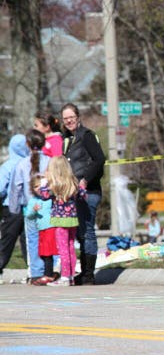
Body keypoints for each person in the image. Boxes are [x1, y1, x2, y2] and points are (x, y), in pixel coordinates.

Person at [61, 103, 106, 285]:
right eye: (65, 119)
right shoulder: (68, 139)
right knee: (80, 233)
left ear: (78, 117)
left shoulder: (86, 136)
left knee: (87, 231)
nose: (69, 121)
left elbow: (99, 159)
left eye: (71, 117)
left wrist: (85, 180)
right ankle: (84, 271)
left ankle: (89, 274)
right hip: (74, 194)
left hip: (89, 192)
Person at [8, 129, 50, 284]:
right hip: (48, 206)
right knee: (49, 239)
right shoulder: (50, 162)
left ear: (28, 144)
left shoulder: (21, 165)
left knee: (32, 240)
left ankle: (36, 273)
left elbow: (15, 189)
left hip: (30, 208)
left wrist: (14, 209)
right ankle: (51, 270)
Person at [38, 156, 86, 286]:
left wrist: (43, 183)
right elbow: (83, 195)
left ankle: (64, 277)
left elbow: (44, 196)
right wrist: (82, 187)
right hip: (72, 219)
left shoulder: (54, 184)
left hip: (60, 221)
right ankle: (70, 276)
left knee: (63, 249)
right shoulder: (73, 182)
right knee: (70, 248)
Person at [0, 134, 30, 283]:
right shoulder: (30, 163)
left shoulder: (8, 165)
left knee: (6, 241)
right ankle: (33, 270)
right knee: (28, 241)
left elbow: (1, 188)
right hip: (29, 208)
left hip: (10, 209)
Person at [26, 174, 57, 285]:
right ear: (32, 189)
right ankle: (47, 273)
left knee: (48, 253)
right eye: (35, 186)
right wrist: (33, 210)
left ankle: (49, 274)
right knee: (43, 253)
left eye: (41, 186)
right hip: (41, 230)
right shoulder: (33, 201)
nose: (39, 189)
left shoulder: (50, 199)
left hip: (51, 228)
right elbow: (28, 215)